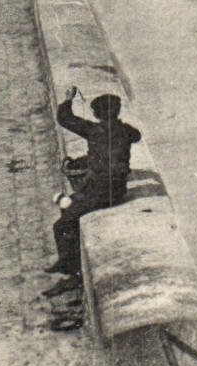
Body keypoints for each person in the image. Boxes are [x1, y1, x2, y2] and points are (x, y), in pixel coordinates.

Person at [44, 87, 141, 294]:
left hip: (100, 192)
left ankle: (71, 271)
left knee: (62, 223)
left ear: (97, 114)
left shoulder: (93, 130)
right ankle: (69, 260)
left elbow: (65, 118)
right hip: (116, 190)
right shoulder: (125, 130)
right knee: (69, 206)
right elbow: (136, 136)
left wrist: (68, 98)